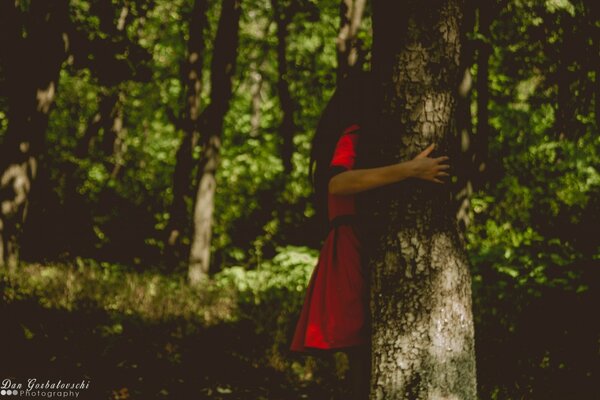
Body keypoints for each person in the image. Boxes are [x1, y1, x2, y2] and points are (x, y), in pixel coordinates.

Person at [290, 72, 450, 399]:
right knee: (364, 362)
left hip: (352, 249)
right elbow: (339, 183)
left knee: (364, 364)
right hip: (349, 252)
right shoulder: (355, 131)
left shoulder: (361, 135)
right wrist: (411, 169)